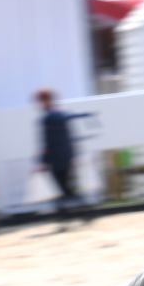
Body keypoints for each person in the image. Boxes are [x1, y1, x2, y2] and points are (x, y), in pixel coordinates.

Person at [35, 88, 87, 219]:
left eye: (40, 101)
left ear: (45, 100)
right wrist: (74, 154)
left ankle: (76, 212)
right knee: (64, 188)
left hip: (57, 158)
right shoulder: (60, 113)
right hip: (66, 156)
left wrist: (43, 161)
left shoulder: (48, 118)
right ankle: (75, 212)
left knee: (62, 189)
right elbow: (70, 136)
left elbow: (48, 142)